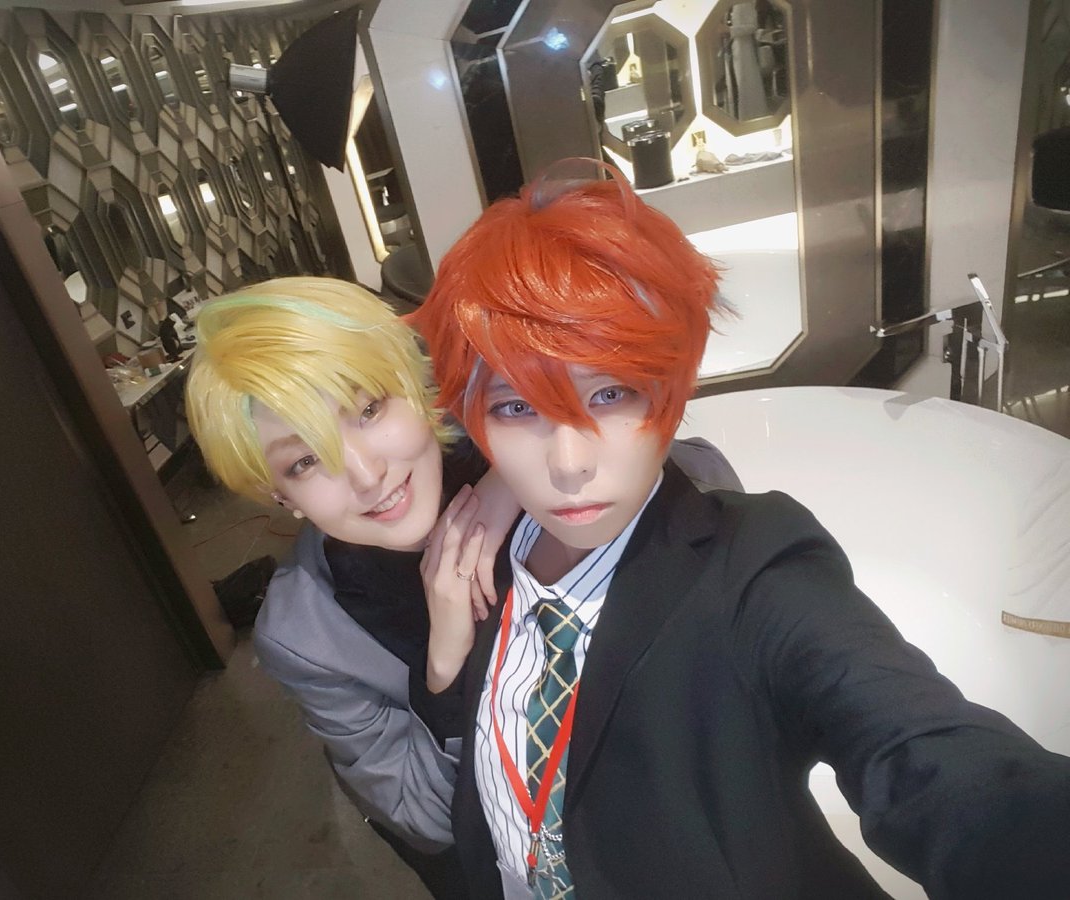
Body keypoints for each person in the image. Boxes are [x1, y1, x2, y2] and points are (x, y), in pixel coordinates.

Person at [408, 162, 1070, 899]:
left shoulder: (755, 569)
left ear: (671, 384)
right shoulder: (476, 553)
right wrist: (442, 672)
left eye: (611, 393)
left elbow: (925, 754)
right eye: (517, 407)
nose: (569, 465)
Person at [184, 276, 740, 898]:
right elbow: (423, 816)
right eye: (305, 461)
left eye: (368, 410)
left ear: (415, 388)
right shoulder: (309, 634)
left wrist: (521, 475)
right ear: (279, 495)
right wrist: (446, 670)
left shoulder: (514, 428)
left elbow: (711, 487)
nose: (367, 474)